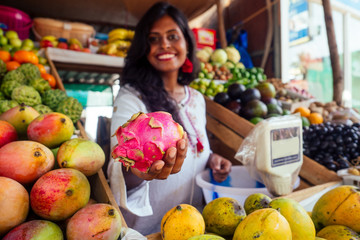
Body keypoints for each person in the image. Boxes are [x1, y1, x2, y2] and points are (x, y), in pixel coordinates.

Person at [107, 2, 232, 235]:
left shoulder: (196, 98)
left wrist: (211, 158)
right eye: (153, 39)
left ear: (187, 43)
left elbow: (195, 145)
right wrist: (137, 171)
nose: (164, 44)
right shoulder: (131, 98)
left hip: (192, 224)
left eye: (173, 36)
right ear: (144, 49)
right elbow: (119, 160)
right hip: (148, 230)